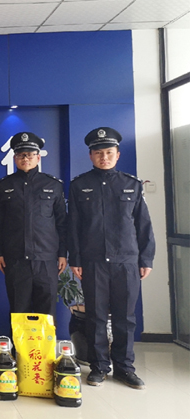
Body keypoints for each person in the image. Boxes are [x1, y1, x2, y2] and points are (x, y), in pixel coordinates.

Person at [68, 127, 155, 390]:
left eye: (108, 152)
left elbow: (143, 225)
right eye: (98, 153)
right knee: (95, 316)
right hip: (92, 261)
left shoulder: (132, 184)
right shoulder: (79, 185)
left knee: (124, 318)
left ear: (117, 155)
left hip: (126, 261)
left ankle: (125, 368)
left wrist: (146, 259)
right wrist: (76, 259)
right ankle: (99, 367)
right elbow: (74, 226)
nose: (103, 157)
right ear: (91, 155)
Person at [0, 132, 67, 317]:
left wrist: (62, 254)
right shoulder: (4, 186)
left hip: (46, 259)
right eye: (21, 155)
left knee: (46, 313)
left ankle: (45, 340)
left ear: (38, 157)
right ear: (15, 158)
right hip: (15, 259)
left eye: (30, 154)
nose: (25, 158)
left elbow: (62, 223)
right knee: (19, 312)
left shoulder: (53, 185)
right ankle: (19, 340)